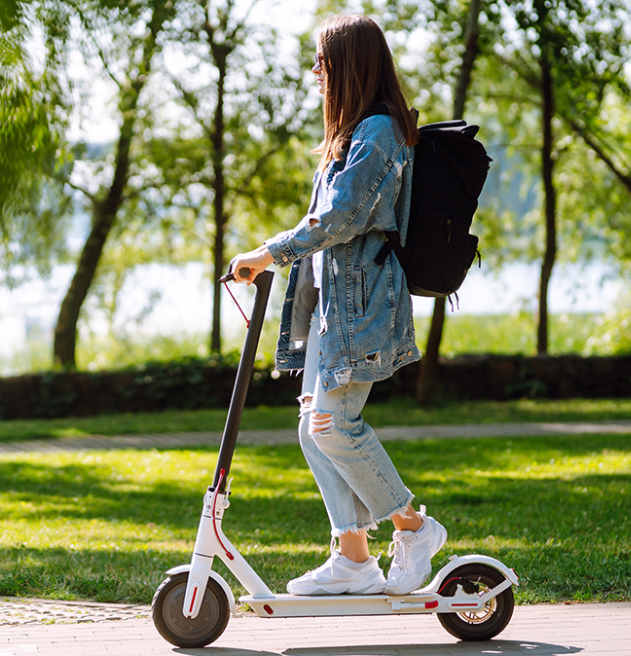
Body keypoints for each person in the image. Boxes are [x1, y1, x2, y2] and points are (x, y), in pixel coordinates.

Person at [228, 14, 446, 596]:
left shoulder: (378, 133)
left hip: (364, 306)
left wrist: (267, 252)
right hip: (331, 309)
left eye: (322, 62)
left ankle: (414, 527)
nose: (315, 73)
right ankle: (353, 558)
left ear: (350, 64)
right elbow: (325, 225)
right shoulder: (351, 135)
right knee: (312, 428)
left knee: (333, 427)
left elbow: (339, 219)